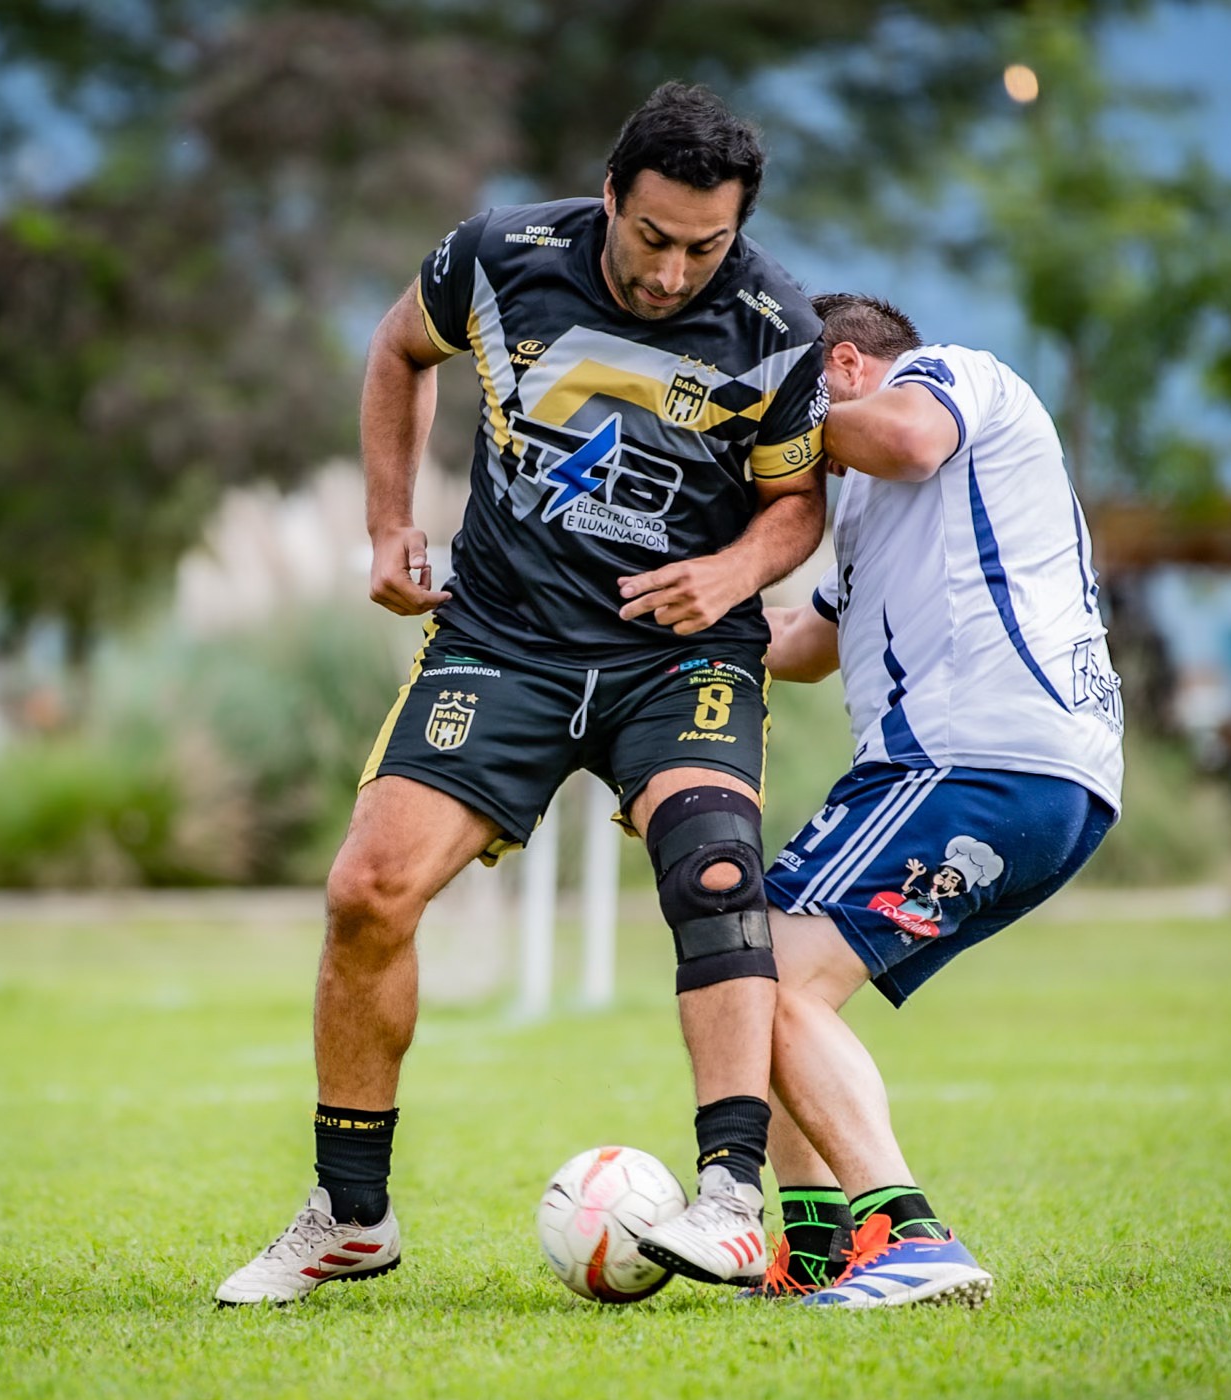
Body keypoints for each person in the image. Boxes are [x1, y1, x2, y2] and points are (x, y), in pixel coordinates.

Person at [216, 83, 828, 1305]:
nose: (672, 273)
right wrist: (389, 524)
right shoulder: (501, 257)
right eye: (652, 238)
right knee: (367, 892)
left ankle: (729, 1201)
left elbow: (795, 503)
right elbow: (399, 349)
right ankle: (349, 1215)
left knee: (717, 878)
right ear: (609, 196)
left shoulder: (775, 325)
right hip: (504, 640)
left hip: (679, 655)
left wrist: (735, 572)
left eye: (704, 247)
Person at [755, 294, 1124, 1308]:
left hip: (978, 756)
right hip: (1028, 776)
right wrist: (679, 615)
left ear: (843, 366)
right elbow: (808, 645)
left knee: (758, 971)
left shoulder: (954, 378)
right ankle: (822, 1246)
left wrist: (758, 406)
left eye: (795, 393)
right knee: (762, 968)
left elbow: (911, 438)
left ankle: (907, 1235)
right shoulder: (869, 509)